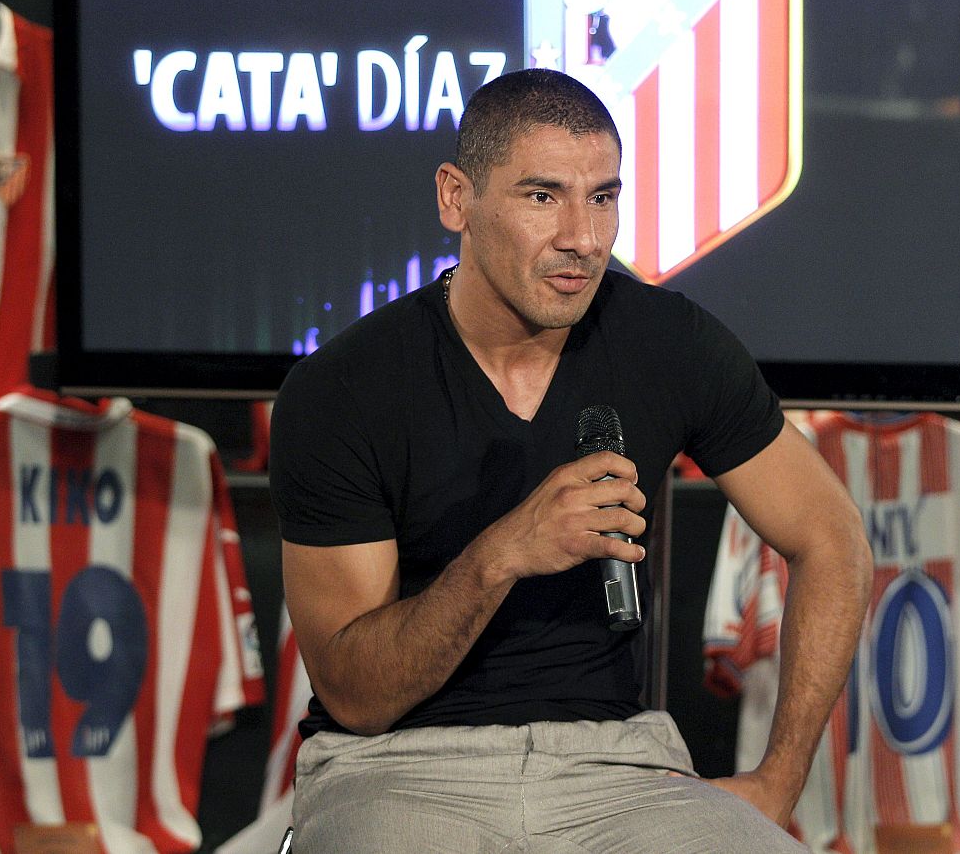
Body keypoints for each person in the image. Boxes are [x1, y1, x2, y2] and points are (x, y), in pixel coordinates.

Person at [270, 68, 871, 852]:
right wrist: (502, 553)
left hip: (617, 767)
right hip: (398, 769)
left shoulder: (669, 341)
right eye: (542, 196)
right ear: (456, 198)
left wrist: (780, 779)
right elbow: (356, 696)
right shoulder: (345, 386)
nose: (583, 238)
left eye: (603, 197)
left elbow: (833, 538)